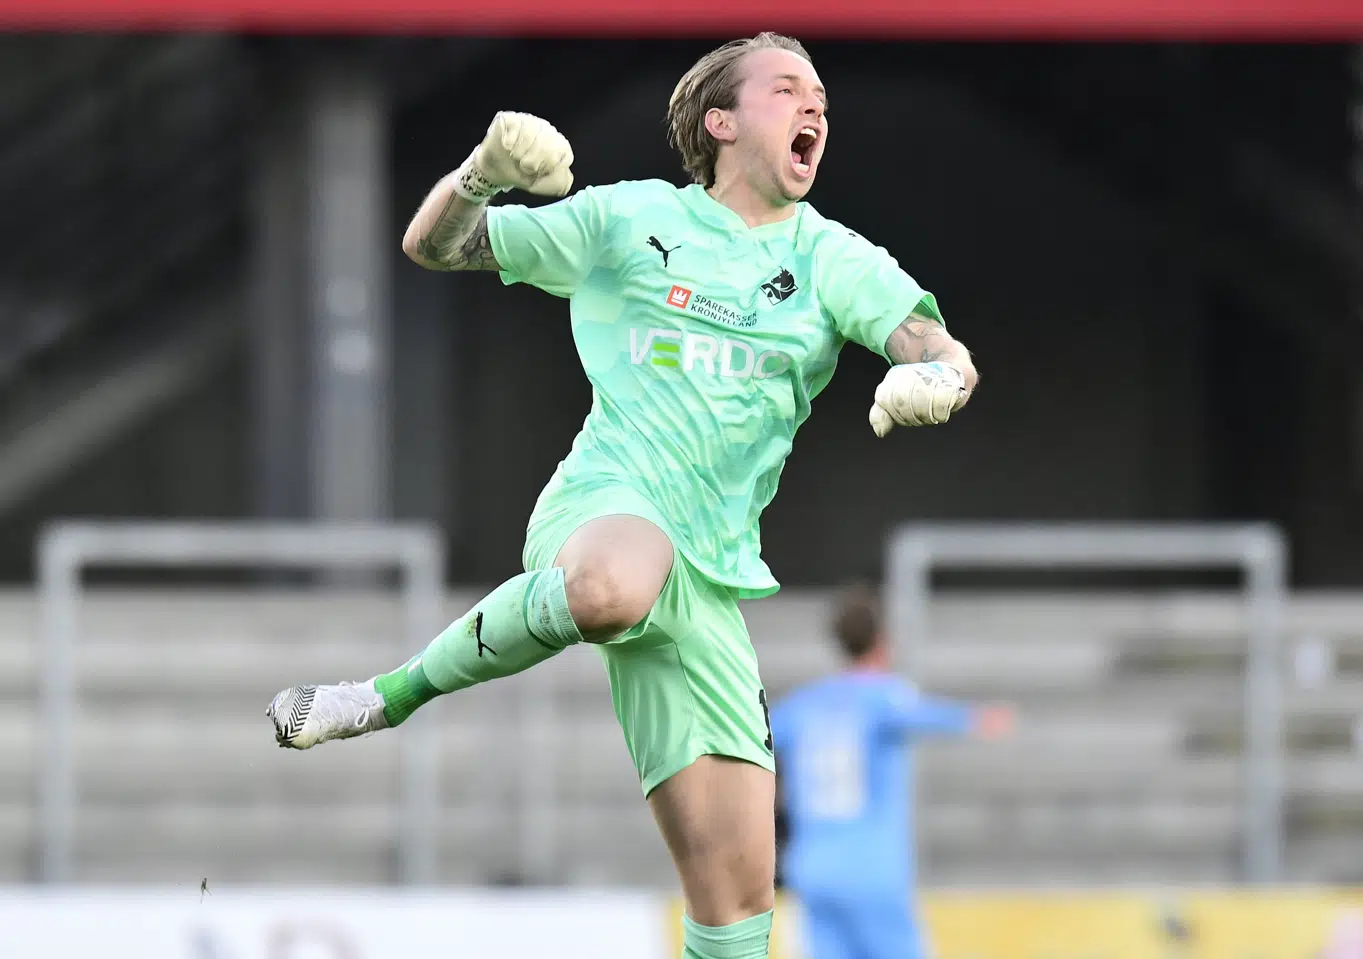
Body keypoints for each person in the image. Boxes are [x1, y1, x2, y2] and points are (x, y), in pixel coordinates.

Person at [266, 33, 980, 959]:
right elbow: (434, 243)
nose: (816, 108)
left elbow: (929, 339)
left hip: (713, 576)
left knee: (738, 907)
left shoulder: (833, 258)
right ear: (721, 121)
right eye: (787, 90)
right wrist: (483, 172)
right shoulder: (632, 219)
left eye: (823, 100)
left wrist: (941, 378)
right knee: (613, 585)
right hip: (608, 499)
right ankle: (381, 696)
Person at [770, 583, 1014, 959]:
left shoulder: (803, 704)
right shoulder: (885, 696)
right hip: (871, 870)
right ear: (884, 640)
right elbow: (927, 715)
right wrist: (979, 719)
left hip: (812, 867)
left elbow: (760, 743)